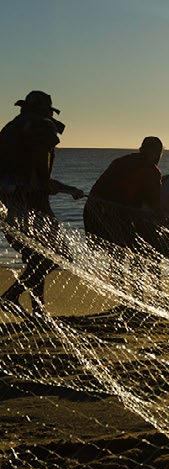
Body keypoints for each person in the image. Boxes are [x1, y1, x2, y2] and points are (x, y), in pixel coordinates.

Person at [0, 90, 86, 315]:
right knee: (56, 255)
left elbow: (19, 171)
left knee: (35, 256)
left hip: (6, 201)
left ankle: (38, 310)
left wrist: (66, 189)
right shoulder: (43, 127)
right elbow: (40, 166)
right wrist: (49, 183)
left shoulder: (9, 129)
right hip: (30, 201)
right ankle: (11, 296)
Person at [86, 136, 166, 263]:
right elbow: (153, 203)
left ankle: (118, 279)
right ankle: (125, 279)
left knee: (117, 253)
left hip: (93, 210)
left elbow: (100, 187)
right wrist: (163, 218)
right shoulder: (151, 170)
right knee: (132, 250)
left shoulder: (121, 161)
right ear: (157, 154)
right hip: (116, 214)